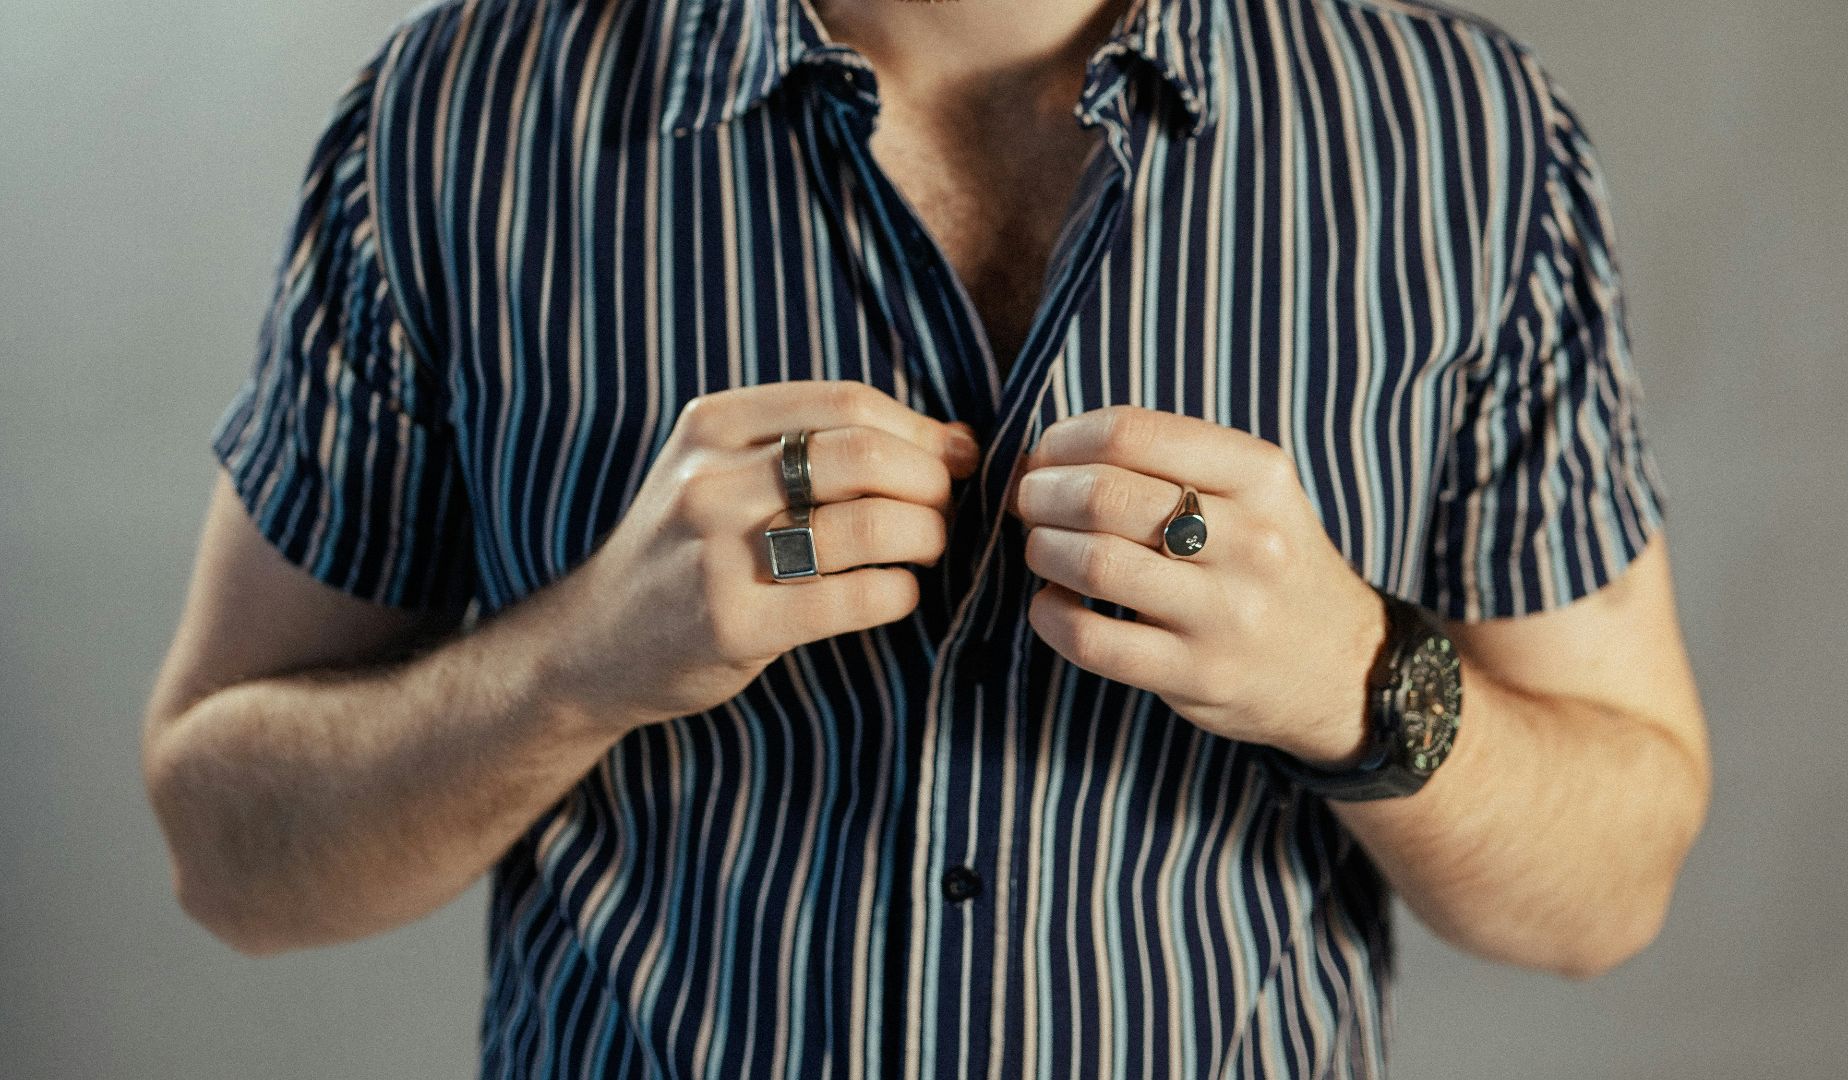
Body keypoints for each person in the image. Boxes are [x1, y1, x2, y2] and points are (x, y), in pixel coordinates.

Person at [141, 0, 1712, 1075]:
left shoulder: (1466, 148)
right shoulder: (460, 126)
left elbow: (1608, 889)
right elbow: (229, 852)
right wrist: (575, 663)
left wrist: (1360, 678)